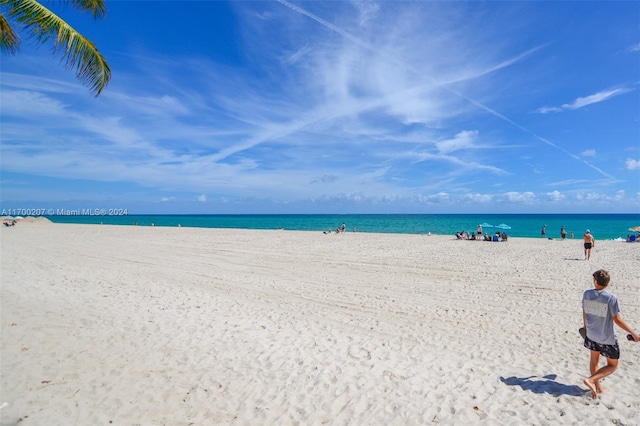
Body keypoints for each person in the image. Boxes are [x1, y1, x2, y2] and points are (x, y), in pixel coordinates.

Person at [581, 269, 639, 399]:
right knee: (612, 365)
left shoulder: (587, 294)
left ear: (595, 282)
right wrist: (633, 332)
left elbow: (584, 312)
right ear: (607, 283)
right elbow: (617, 319)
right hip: (606, 337)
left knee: (594, 361)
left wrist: (585, 328)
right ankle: (591, 381)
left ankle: (598, 388)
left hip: (591, 334)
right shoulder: (611, 298)